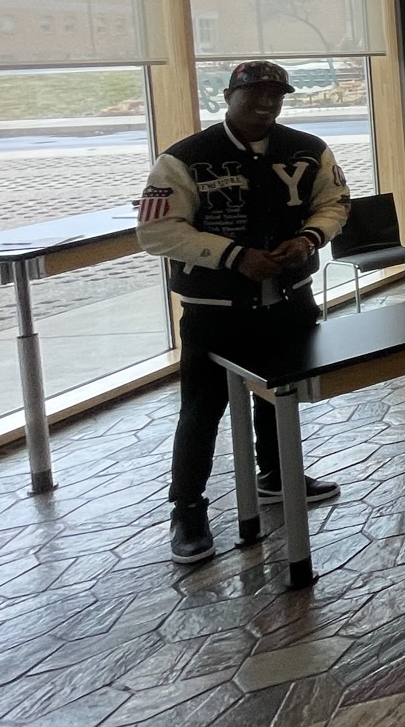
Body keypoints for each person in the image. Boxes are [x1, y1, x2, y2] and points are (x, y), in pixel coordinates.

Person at [137, 60, 350, 565]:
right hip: (217, 312)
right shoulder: (184, 159)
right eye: (253, 93)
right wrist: (234, 256)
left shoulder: (308, 149)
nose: (265, 102)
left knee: (281, 396)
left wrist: (308, 238)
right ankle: (187, 508)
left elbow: (336, 201)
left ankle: (277, 475)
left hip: (290, 302)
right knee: (202, 411)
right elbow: (157, 232)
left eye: (275, 94)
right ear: (228, 95)